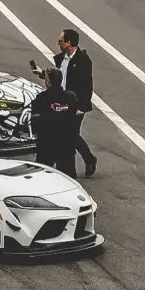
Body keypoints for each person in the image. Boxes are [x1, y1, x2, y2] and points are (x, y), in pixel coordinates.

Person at [53, 28, 97, 178]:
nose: (58, 44)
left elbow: (87, 86)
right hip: (62, 102)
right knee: (69, 134)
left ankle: (85, 160)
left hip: (75, 104)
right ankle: (86, 159)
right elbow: (61, 79)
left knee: (70, 134)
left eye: (60, 41)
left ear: (69, 43)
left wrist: (82, 107)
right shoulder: (62, 58)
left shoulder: (83, 61)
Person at [30, 67, 79, 176]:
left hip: (47, 145)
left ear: (48, 82)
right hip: (66, 145)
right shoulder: (71, 97)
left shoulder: (42, 98)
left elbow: (34, 116)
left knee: (40, 175)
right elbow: (75, 116)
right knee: (68, 178)